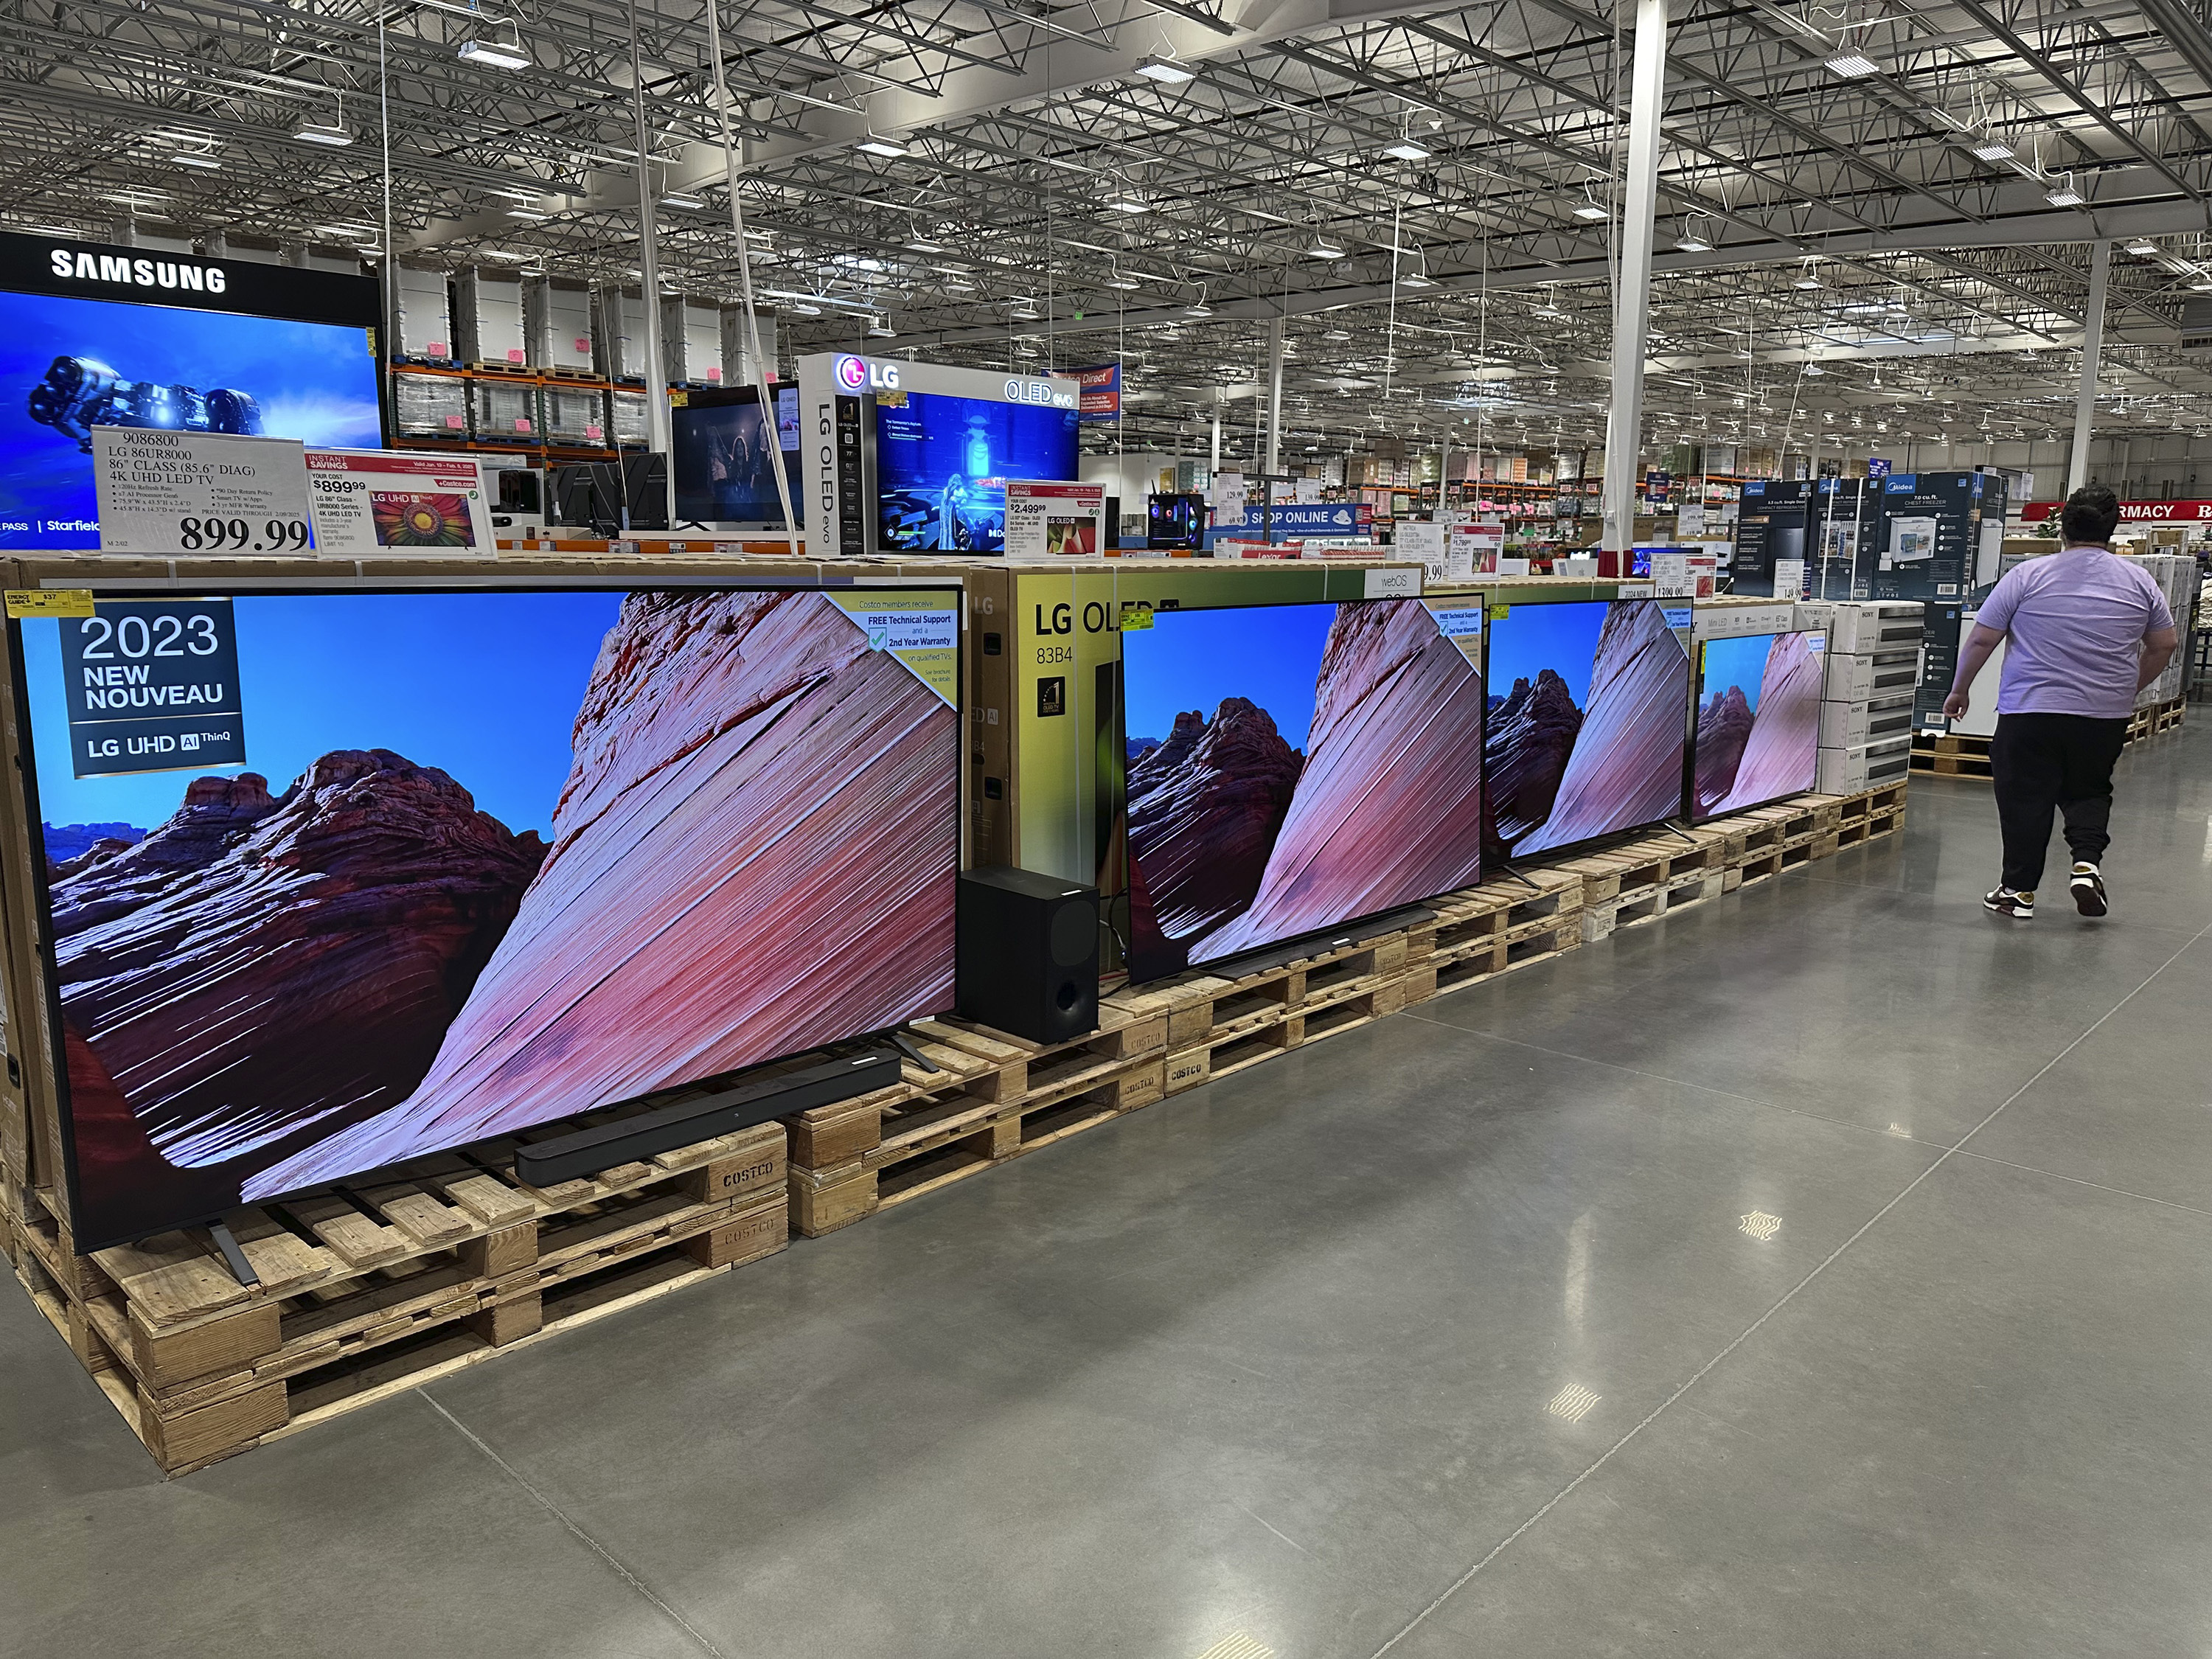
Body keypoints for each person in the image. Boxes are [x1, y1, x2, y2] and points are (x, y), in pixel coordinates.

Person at [1942, 483, 2177, 920]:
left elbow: (1982, 638)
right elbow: (2164, 644)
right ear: (2112, 529)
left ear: (2063, 528)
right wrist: (2129, 688)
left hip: (2031, 709)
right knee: (2089, 789)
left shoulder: (2028, 576)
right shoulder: (2140, 581)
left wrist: (1960, 690)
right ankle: (2086, 864)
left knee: (2024, 797)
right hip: (2102, 714)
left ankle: (2017, 892)